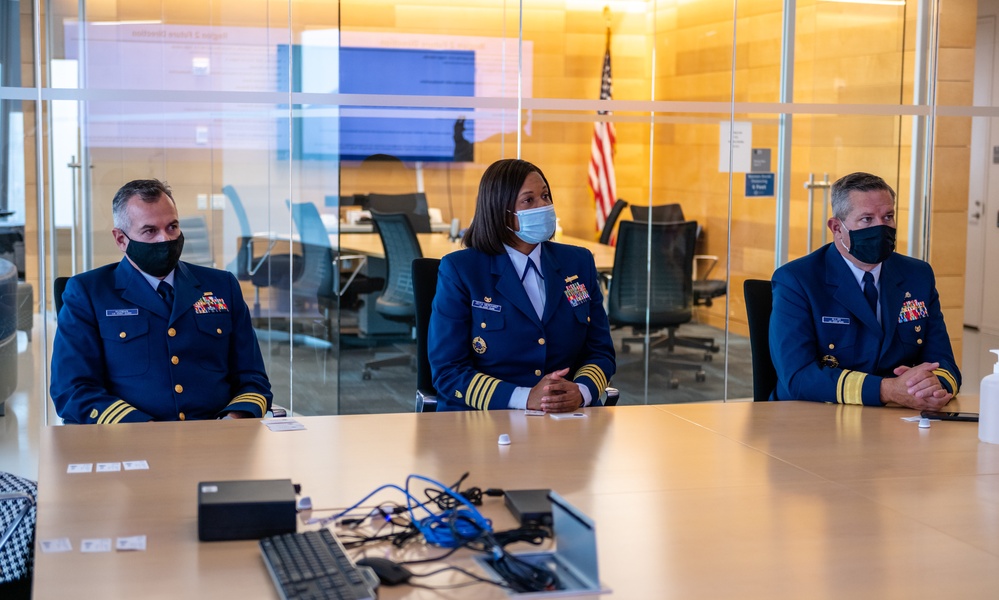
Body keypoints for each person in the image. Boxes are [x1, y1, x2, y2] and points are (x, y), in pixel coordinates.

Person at [51, 179, 272, 423]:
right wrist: (144, 430)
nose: (164, 239)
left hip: (216, 435)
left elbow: (252, 377)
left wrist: (234, 418)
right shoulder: (88, 293)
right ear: (121, 239)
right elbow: (72, 389)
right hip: (128, 440)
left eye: (172, 227)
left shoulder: (222, 286)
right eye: (150, 231)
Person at [428, 159, 615, 412]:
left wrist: (581, 391)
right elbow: (448, 371)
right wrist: (523, 398)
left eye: (546, 196)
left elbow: (600, 350)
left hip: (565, 417)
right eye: (529, 201)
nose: (544, 206)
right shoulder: (461, 270)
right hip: (485, 419)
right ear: (500, 210)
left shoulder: (577, 262)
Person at [769, 172, 960, 408]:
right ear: (837, 228)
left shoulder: (917, 275)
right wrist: (885, 390)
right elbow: (797, 377)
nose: (881, 228)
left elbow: (943, 362)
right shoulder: (797, 280)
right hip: (814, 418)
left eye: (888, 217)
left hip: (897, 420)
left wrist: (931, 386)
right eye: (867, 219)